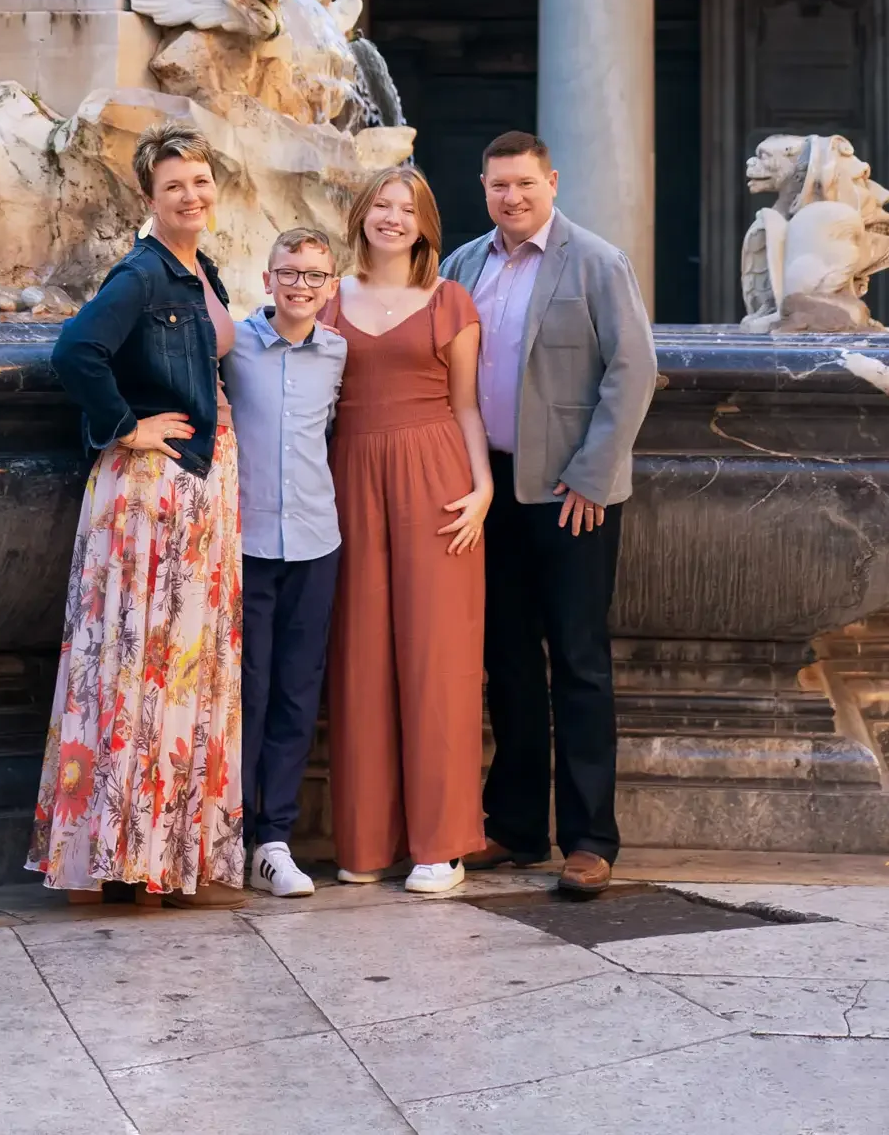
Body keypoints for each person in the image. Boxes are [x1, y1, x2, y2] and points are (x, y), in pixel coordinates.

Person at [28, 128, 243, 902]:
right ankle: (126, 854)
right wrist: (127, 425)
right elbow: (74, 351)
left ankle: (158, 852)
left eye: (201, 180)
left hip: (196, 485)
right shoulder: (143, 273)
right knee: (140, 666)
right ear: (148, 200)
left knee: (176, 667)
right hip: (156, 491)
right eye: (175, 185)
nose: (193, 195)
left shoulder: (198, 269)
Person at [443, 130, 659, 899]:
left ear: (551, 182)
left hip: (572, 495)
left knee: (576, 662)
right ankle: (515, 827)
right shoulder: (462, 265)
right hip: (488, 490)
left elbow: (633, 371)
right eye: (499, 185)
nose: (512, 198)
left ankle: (590, 839)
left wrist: (592, 480)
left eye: (524, 184)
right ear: (484, 186)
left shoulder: (596, 261)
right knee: (504, 661)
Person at [320, 163, 494, 895]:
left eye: (406, 208)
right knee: (357, 657)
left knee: (436, 658)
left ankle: (440, 843)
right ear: (360, 214)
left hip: (436, 475)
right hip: (348, 473)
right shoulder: (326, 298)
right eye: (380, 205)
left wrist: (482, 487)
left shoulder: (450, 300)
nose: (392, 217)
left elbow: (465, 406)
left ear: (425, 224)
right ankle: (363, 839)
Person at [224, 225, 347, 898]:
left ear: (331, 288)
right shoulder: (233, 346)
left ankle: (274, 840)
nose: (301, 285)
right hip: (243, 543)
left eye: (314, 276)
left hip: (314, 543)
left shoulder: (338, 353)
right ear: (267, 278)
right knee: (246, 689)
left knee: (297, 694)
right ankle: (231, 832)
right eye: (289, 272)